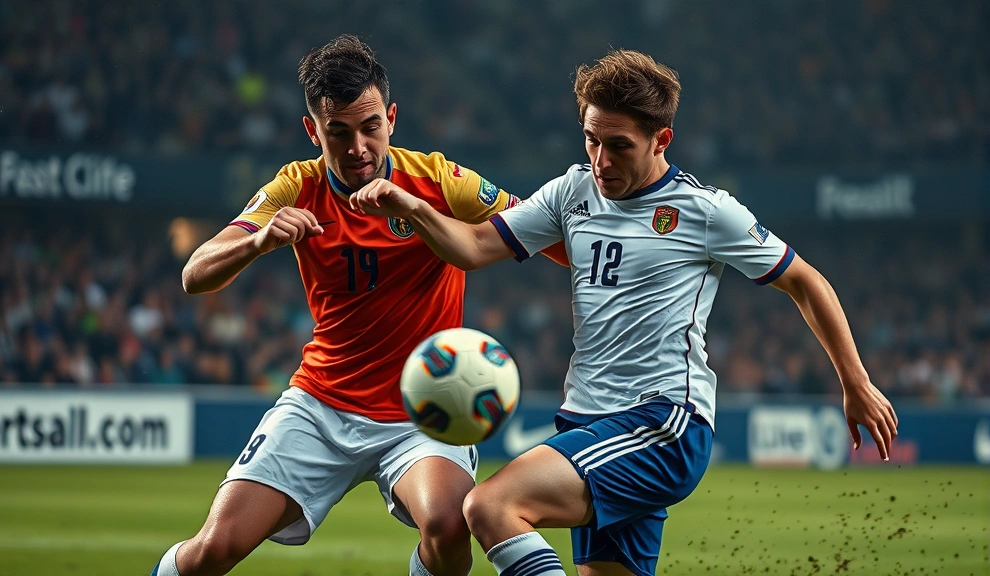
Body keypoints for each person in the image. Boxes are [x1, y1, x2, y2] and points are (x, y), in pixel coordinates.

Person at [349, 48, 899, 576]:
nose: (601, 160)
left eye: (619, 146)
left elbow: (805, 281)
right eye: (591, 140)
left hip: (661, 421)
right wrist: (416, 208)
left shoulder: (706, 212)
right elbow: (471, 248)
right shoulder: (572, 191)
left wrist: (855, 382)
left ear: (662, 139)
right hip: (587, 420)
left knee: (490, 507)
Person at [149, 35, 565, 576]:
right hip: (322, 403)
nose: (357, 148)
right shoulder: (294, 187)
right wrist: (258, 240)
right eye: (337, 133)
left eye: (371, 127)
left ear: (391, 117)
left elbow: (542, 231)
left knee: (446, 523)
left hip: (424, 410)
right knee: (216, 547)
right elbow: (194, 273)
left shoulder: (439, 180)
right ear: (312, 130)